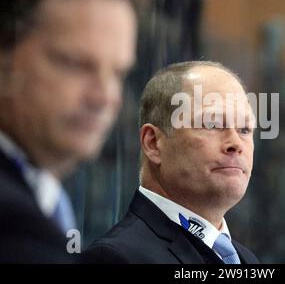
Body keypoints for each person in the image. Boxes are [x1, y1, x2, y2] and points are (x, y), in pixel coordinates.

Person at [0, 0, 150, 263]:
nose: (105, 97)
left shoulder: (37, 200)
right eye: (76, 64)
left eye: (118, 73)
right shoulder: (15, 230)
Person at [86, 61, 260, 264]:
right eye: (212, 124)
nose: (236, 143)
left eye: (245, 129)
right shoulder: (115, 258)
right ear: (153, 143)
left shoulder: (246, 259)